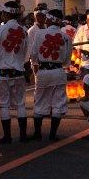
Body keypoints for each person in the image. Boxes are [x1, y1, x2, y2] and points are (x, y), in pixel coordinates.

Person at [0, 1, 30, 143]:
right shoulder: (24, 31)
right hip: (18, 72)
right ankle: (23, 135)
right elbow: (26, 53)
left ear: (5, 14)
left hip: (3, 73)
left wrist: (0, 61)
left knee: (4, 104)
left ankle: (7, 136)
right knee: (20, 104)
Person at [29, 9, 72, 140]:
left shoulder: (39, 34)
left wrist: (35, 65)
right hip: (58, 70)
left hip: (43, 71)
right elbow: (67, 59)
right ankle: (53, 135)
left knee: (40, 100)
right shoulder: (66, 37)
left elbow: (34, 54)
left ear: (49, 20)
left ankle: (37, 133)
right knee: (58, 102)